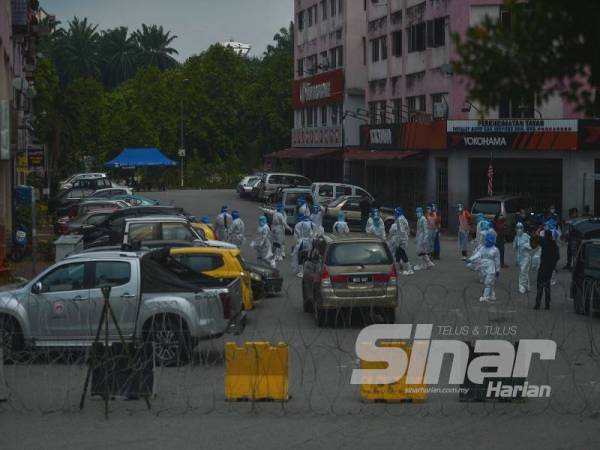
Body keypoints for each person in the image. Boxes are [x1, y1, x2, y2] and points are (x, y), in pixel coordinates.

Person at [466, 233, 501, 303]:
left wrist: (497, 270)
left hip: (491, 267)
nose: (486, 242)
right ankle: (492, 295)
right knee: (488, 281)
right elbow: (478, 254)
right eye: (486, 240)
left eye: (488, 241)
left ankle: (485, 296)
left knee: (488, 282)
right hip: (483, 266)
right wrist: (470, 259)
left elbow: (497, 261)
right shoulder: (483, 247)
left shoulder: (495, 250)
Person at [534, 227, 560, 310]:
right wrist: (554, 266)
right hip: (550, 268)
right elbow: (557, 257)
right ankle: (547, 304)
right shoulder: (554, 245)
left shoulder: (544, 242)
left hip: (543, 266)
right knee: (547, 286)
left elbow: (537, 236)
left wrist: (538, 229)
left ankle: (537, 304)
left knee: (540, 285)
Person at [387, 207, 413, 275]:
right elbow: (407, 230)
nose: (394, 214)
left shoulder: (399, 219)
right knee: (397, 254)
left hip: (401, 240)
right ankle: (397, 268)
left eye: (395, 213)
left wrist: (399, 241)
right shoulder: (403, 218)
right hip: (403, 239)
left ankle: (409, 269)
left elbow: (401, 232)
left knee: (402, 253)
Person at [513, 222, 533, 294]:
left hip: (526, 257)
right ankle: (527, 286)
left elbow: (532, 245)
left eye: (520, 227)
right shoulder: (516, 237)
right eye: (517, 228)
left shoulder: (526, 236)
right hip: (520, 258)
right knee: (524, 272)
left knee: (522, 272)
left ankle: (522, 287)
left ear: (523, 228)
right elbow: (515, 248)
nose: (519, 229)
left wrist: (526, 245)